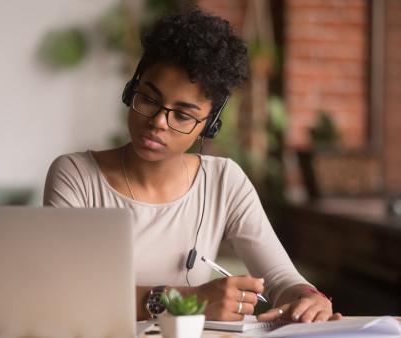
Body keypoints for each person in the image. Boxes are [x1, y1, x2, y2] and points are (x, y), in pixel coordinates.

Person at [44, 7, 341, 323]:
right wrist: (189, 299)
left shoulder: (224, 181)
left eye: (183, 115)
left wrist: (309, 300)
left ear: (209, 126)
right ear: (131, 90)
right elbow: (66, 292)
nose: (158, 122)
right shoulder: (76, 175)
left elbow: (281, 277)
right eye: (148, 99)